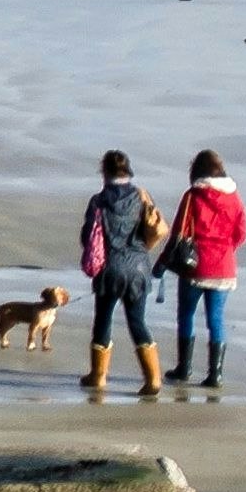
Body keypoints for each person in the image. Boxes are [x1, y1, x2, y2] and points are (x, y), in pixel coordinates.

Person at [73, 149, 169, 400]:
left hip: (110, 269)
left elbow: (88, 238)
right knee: (137, 322)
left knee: (103, 320)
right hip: (138, 268)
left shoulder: (98, 201)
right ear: (128, 170)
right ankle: (153, 379)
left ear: (103, 171)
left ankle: (99, 375)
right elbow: (154, 225)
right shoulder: (142, 196)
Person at [167, 148, 245, 391]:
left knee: (187, 315)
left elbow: (179, 231)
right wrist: (225, 249)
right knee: (216, 319)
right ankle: (216, 374)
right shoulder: (234, 197)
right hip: (224, 267)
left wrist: (162, 264)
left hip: (196, 267)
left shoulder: (193, 195)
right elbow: (241, 232)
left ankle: (184, 368)